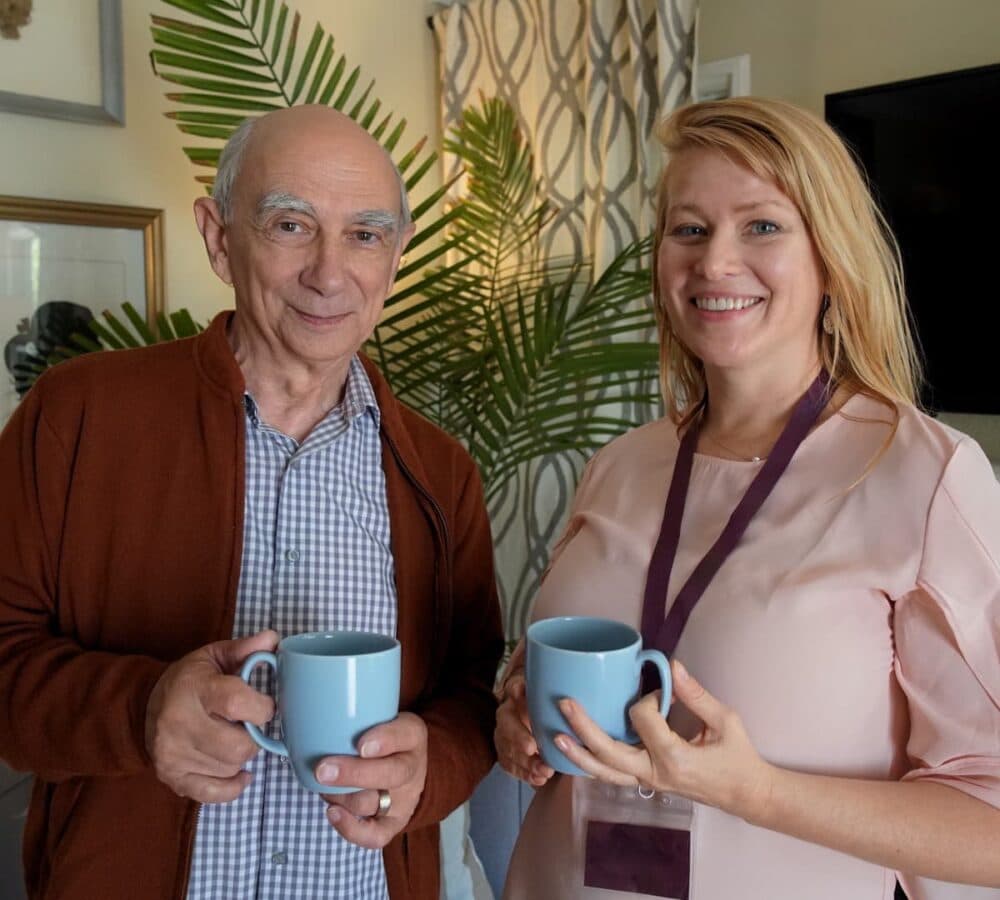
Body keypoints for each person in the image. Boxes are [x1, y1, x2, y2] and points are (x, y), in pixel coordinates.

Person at [495, 97, 1000, 899]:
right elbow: (546, 691)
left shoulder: (926, 477)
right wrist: (517, 718)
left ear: (830, 258)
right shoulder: (619, 465)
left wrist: (755, 791)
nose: (715, 262)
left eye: (761, 226)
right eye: (688, 229)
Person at [0, 105, 503, 900]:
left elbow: (474, 696)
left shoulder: (441, 474)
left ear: (396, 254)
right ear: (217, 234)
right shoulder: (78, 416)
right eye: (291, 225)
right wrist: (140, 713)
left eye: (365, 234)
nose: (330, 274)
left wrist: (429, 765)